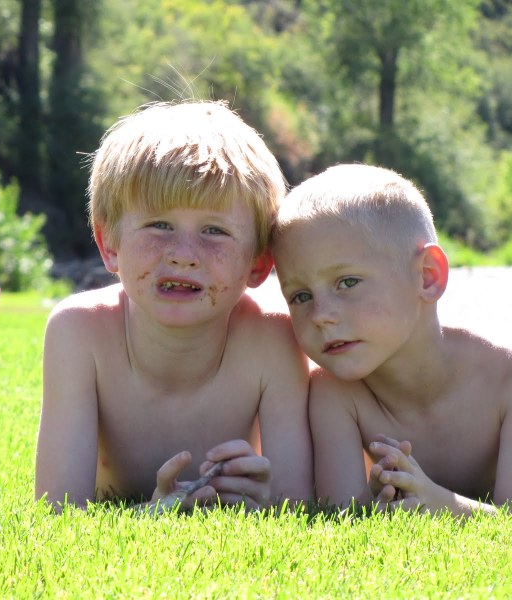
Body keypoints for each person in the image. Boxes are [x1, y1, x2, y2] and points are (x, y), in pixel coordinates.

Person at [35, 100, 312, 511]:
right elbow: (58, 508)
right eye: (159, 225)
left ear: (259, 262)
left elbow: (299, 505)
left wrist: (264, 498)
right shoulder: (79, 334)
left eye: (215, 231)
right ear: (109, 244)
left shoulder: (273, 341)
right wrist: (151, 512)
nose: (184, 254)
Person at [270, 163, 512, 517]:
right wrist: (382, 507)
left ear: (427, 276)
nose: (320, 315)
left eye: (347, 282)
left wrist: (441, 504)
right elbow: (344, 518)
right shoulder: (334, 394)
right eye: (300, 296)